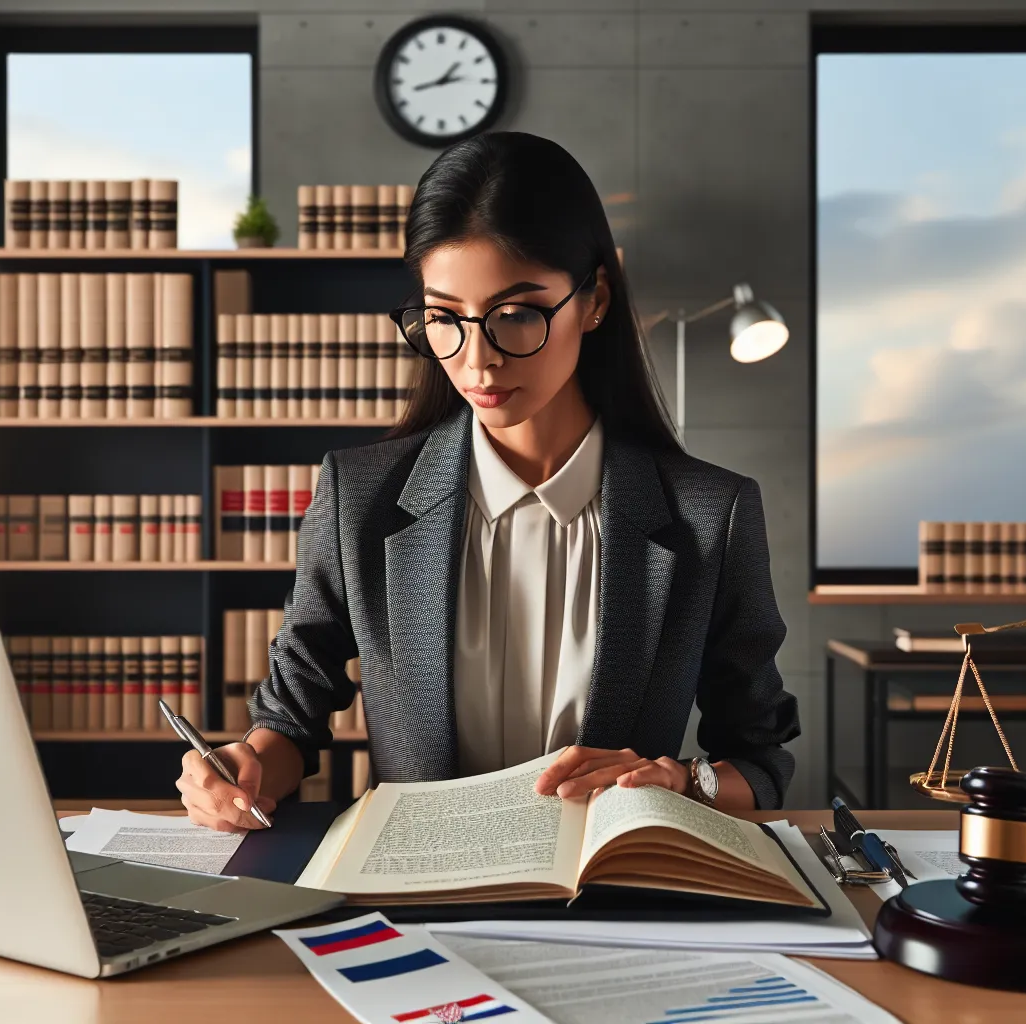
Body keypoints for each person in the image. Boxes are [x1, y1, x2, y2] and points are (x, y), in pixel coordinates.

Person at [178, 132, 800, 833]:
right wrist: (245, 767)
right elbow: (291, 721)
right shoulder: (360, 498)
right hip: (425, 899)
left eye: (515, 315)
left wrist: (681, 781)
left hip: (617, 898)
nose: (478, 361)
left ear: (594, 300)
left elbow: (760, 757)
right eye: (444, 319)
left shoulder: (709, 515)